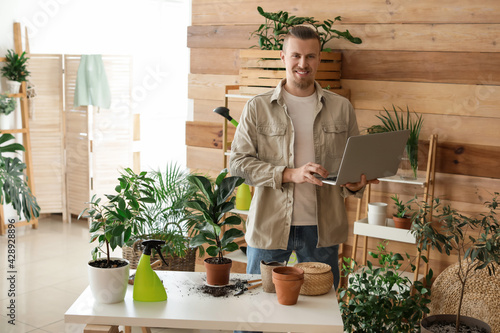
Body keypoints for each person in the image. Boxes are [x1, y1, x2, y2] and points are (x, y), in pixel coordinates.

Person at [229, 25, 378, 294]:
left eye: (311, 56)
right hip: (269, 226)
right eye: (296, 55)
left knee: (320, 316)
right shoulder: (257, 107)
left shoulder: (341, 108)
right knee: (255, 310)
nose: (303, 63)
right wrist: (289, 174)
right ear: (283, 57)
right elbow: (238, 164)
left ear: (319, 59)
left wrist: (354, 184)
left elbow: (350, 170)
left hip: (322, 232)